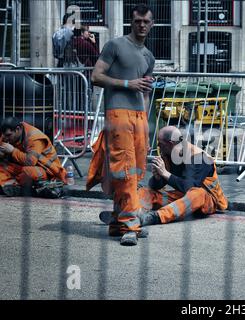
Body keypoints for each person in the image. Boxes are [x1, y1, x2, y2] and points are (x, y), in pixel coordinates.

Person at [86, 4, 155, 246]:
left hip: (138, 118)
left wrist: (145, 121)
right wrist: (128, 84)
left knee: (135, 172)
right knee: (124, 171)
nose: (142, 25)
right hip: (118, 115)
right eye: (138, 21)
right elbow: (96, 76)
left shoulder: (148, 56)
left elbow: (145, 92)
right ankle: (130, 225)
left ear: (152, 23)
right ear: (131, 22)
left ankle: (117, 221)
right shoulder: (115, 45)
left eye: (146, 21)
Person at [99, 126, 228, 229]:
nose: (158, 147)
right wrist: (157, 177)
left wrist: (165, 174)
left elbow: (190, 186)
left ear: (170, 143)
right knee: (144, 191)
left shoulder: (200, 157)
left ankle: (153, 217)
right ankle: (126, 214)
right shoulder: (168, 155)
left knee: (197, 194)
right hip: (179, 197)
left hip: (206, 202)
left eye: (160, 144)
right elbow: (155, 186)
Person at [0, 117, 67, 197]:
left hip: (44, 170)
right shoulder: (7, 135)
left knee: (28, 171)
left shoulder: (35, 138)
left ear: (17, 129)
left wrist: (13, 151)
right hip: (20, 168)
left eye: (8, 135)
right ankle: (12, 186)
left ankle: (18, 187)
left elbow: (30, 161)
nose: (6, 139)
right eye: (4, 136)